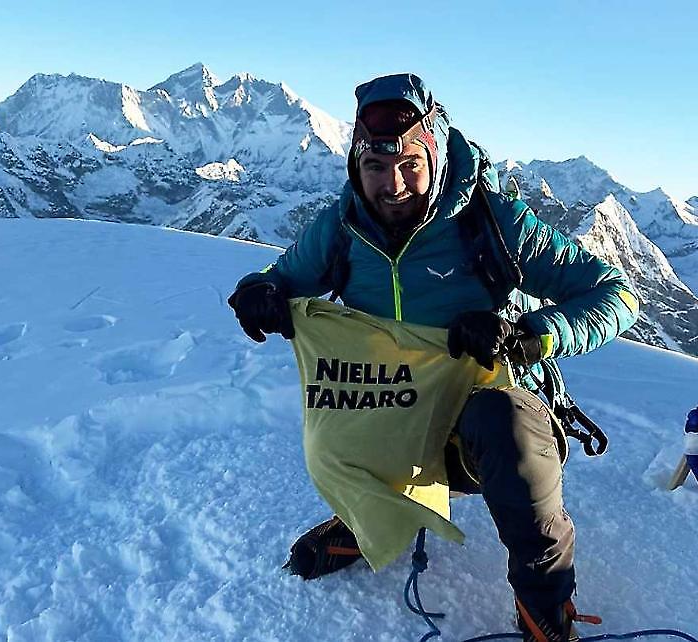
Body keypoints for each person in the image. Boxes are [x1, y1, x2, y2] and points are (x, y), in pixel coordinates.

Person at [227, 73, 639, 642]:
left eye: (410, 166)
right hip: (393, 407)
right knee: (339, 408)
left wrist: (529, 335)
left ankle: (544, 604)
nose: (392, 185)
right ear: (355, 167)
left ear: (436, 157)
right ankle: (370, 519)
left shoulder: (492, 222)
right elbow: (283, 278)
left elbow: (617, 295)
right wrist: (261, 291)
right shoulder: (341, 228)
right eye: (375, 168)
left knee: (505, 423)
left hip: (477, 428)